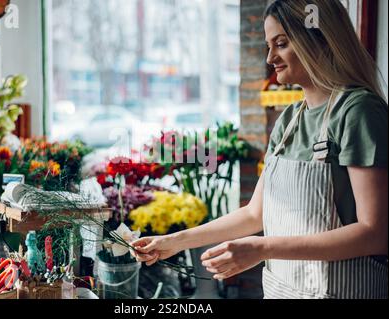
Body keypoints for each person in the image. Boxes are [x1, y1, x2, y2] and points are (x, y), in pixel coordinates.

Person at [132, 0, 388, 299]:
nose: (270, 58)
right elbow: (256, 213)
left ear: (319, 39)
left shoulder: (358, 112)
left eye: (281, 43)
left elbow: (376, 233)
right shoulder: (289, 121)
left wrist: (262, 248)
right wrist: (174, 241)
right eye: (269, 45)